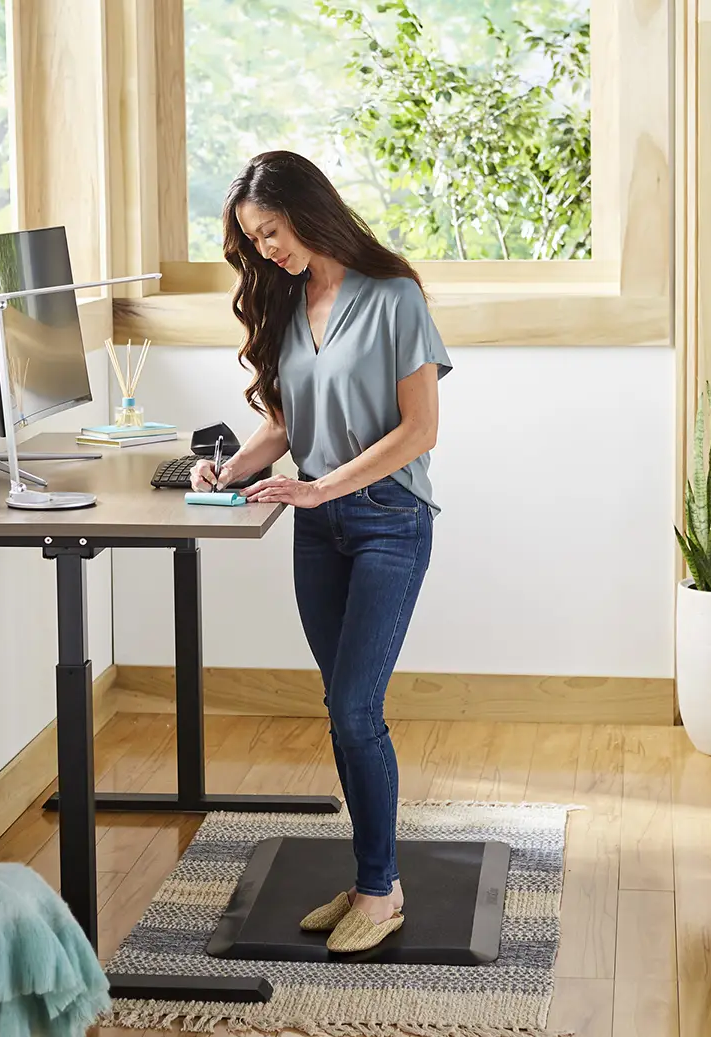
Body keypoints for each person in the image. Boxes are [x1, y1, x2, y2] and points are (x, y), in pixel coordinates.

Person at [191, 150, 452, 953]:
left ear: (308, 210)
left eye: (271, 231)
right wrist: (231, 468)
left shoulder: (393, 296)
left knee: (355, 709)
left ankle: (381, 891)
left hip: (387, 521)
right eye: (253, 238)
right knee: (341, 712)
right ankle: (373, 874)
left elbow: (420, 429)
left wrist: (321, 486)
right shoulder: (289, 299)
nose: (265, 248)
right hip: (319, 526)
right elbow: (286, 421)